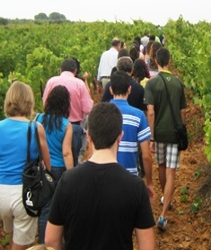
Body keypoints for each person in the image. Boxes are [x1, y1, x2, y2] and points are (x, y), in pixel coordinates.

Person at [45, 102, 156, 250]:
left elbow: (51, 240)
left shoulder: (67, 181)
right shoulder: (135, 186)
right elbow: (147, 247)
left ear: (89, 136)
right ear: (120, 137)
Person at [0, 81, 51, 250]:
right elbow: (47, 163)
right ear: (29, 102)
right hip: (24, 193)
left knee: (11, 230)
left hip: (1, 191)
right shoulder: (35, 128)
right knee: (22, 242)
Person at [144, 47, 187, 231]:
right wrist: (182, 127)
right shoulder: (178, 83)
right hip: (174, 134)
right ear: (169, 61)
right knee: (171, 172)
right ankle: (163, 215)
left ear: (155, 62)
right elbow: (183, 111)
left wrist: (151, 137)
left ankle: (164, 199)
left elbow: (151, 112)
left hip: (159, 134)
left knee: (161, 166)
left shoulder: (152, 84)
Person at [36, 85, 73, 244]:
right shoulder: (66, 125)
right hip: (59, 170)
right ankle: (59, 241)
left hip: (42, 168)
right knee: (62, 207)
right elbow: (66, 152)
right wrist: (72, 174)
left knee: (45, 207)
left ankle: (44, 243)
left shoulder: (38, 119)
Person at [109, 70, 154, 198]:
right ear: (129, 89)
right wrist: (149, 182)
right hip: (130, 176)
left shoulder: (101, 113)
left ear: (111, 90)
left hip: (105, 176)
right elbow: (146, 155)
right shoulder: (138, 115)